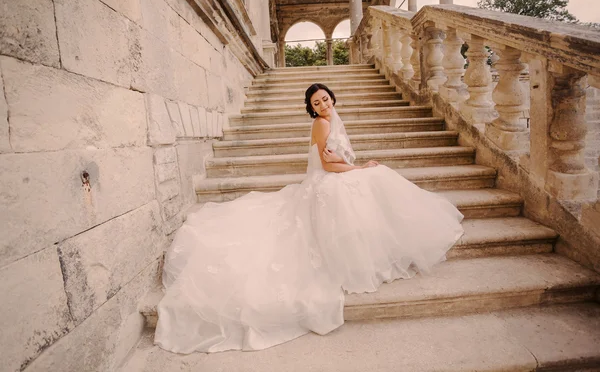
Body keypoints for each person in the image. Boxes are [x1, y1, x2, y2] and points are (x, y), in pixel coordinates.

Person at [154, 83, 464, 354]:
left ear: (333, 98)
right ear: (311, 108)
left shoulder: (332, 119)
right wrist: (360, 169)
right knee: (375, 177)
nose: (322, 105)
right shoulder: (321, 125)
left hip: (332, 178)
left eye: (325, 99)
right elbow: (328, 168)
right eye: (316, 103)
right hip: (324, 184)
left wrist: (356, 166)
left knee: (375, 177)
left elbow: (337, 160)